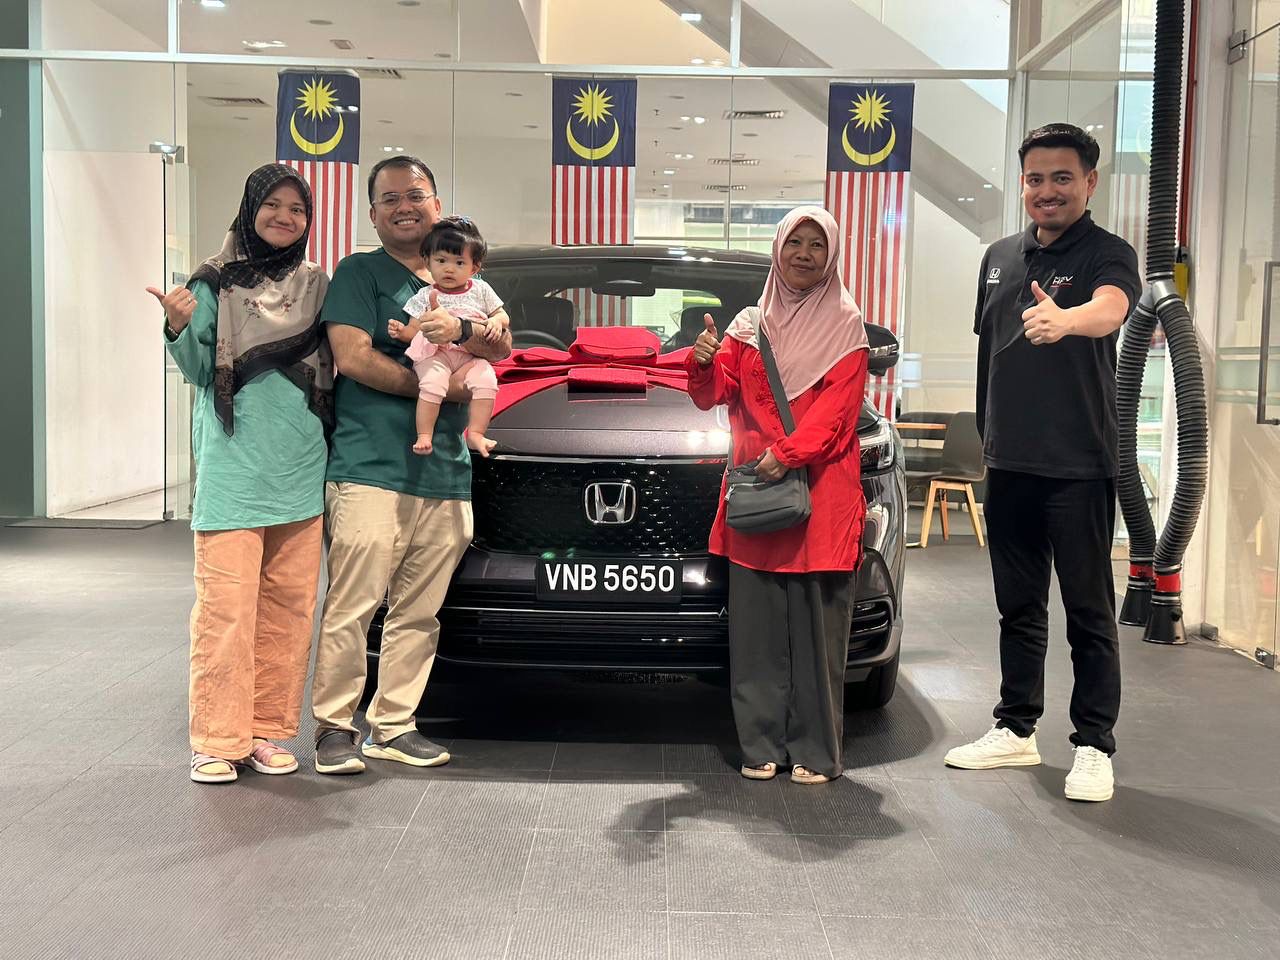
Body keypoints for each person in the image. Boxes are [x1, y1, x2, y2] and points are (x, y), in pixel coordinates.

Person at [943, 123, 1140, 803]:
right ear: (1022, 184)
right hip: (1010, 463)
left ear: (1090, 183)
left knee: (1089, 612)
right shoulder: (999, 256)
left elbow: (1111, 308)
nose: (1047, 190)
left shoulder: (1108, 254)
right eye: (1035, 179)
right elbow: (992, 350)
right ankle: (1016, 727)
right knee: (1018, 607)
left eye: (1062, 178)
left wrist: (1069, 320)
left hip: (1079, 465)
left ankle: (1094, 744)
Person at [310, 156, 512, 774]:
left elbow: (502, 343)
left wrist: (466, 332)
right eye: (390, 198)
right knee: (354, 604)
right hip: (369, 466)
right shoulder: (359, 272)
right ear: (373, 213)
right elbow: (353, 357)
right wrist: (442, 389)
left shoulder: (465, 277)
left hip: (446, 470)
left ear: (436, 204)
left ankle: (393, 724)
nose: (404, 206)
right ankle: (334, 726)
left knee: (419, 613)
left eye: (415, 195)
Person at [148, 163, 332, 784]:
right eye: (272, 205)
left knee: (289, 610)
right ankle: (216, 738)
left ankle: (266, 732)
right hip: (234, 468)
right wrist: (177, 325)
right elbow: (202, 372)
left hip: (300, 468)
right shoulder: (212, 281)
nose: (285, 217)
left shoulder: (316, 283)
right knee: (224, 611)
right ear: (250, 210)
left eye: (297, 209)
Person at [687, 206, 870, 786]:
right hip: (759, 500)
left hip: (820, 498)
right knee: (757, 636)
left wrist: (786, 454)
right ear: (778, 249)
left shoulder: (847, 328)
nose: (804, 254)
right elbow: (715, 394)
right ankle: (760, 745)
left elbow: (838, 414)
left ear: (832, 255)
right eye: (796, 242)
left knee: (818, 638)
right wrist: (700, 363)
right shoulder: (748, 326)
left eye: (817, 244)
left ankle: (816, 750)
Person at [387, 216, 508, 457]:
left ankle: (476, 433)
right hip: (435, 354)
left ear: (474, 268)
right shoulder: (424, 295)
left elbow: (501, 315)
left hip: (470, 356)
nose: (449, 269)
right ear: (428, 262)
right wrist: (402, 332)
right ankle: (424, 435)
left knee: (487, 381)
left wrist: (495, 322)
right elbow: (415, 329)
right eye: (441, 261)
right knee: (432, 383)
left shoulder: (482, 290)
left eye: (459, 262)